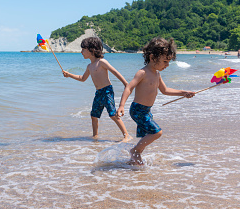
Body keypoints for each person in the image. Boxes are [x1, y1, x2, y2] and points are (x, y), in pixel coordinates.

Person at [117, 37, 195, 165]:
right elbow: (129, 87)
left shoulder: (157, 74)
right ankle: (134, 151)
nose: (167, 65)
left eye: (168, 61)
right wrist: (121, 105)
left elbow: (165, 90)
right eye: (165, 61)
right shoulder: (142, 73)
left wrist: (183, 93)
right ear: (153, 58)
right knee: (157, 132)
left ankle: (134, 160)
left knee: (147, 136)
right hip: (138, 110)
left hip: (146, 111)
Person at [62, 37, 132, 142]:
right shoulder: (89, 66)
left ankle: (126, 135)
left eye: (83, 50)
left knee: (112, 114)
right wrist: (69, 75)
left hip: (107, 91)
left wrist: (126, 84)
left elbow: (115, 72)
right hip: (98, 93)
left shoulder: (102, 62)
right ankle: (95, 136)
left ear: (92, 50)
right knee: (94, 115)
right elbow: (82, 78)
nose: (81, 52)